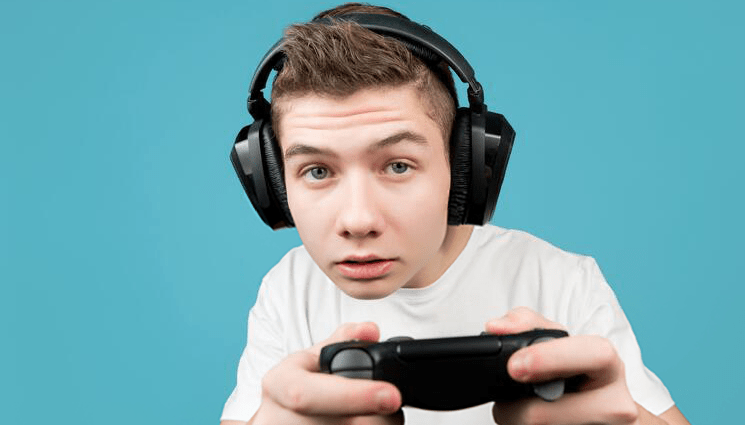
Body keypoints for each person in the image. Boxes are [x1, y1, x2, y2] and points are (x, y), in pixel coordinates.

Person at [221, 3, 690, 424]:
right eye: (318, 171)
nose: (358, 220)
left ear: (462, 169)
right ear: (274, 183)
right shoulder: (287, 292)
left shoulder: (561, 280)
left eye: (398, 165)